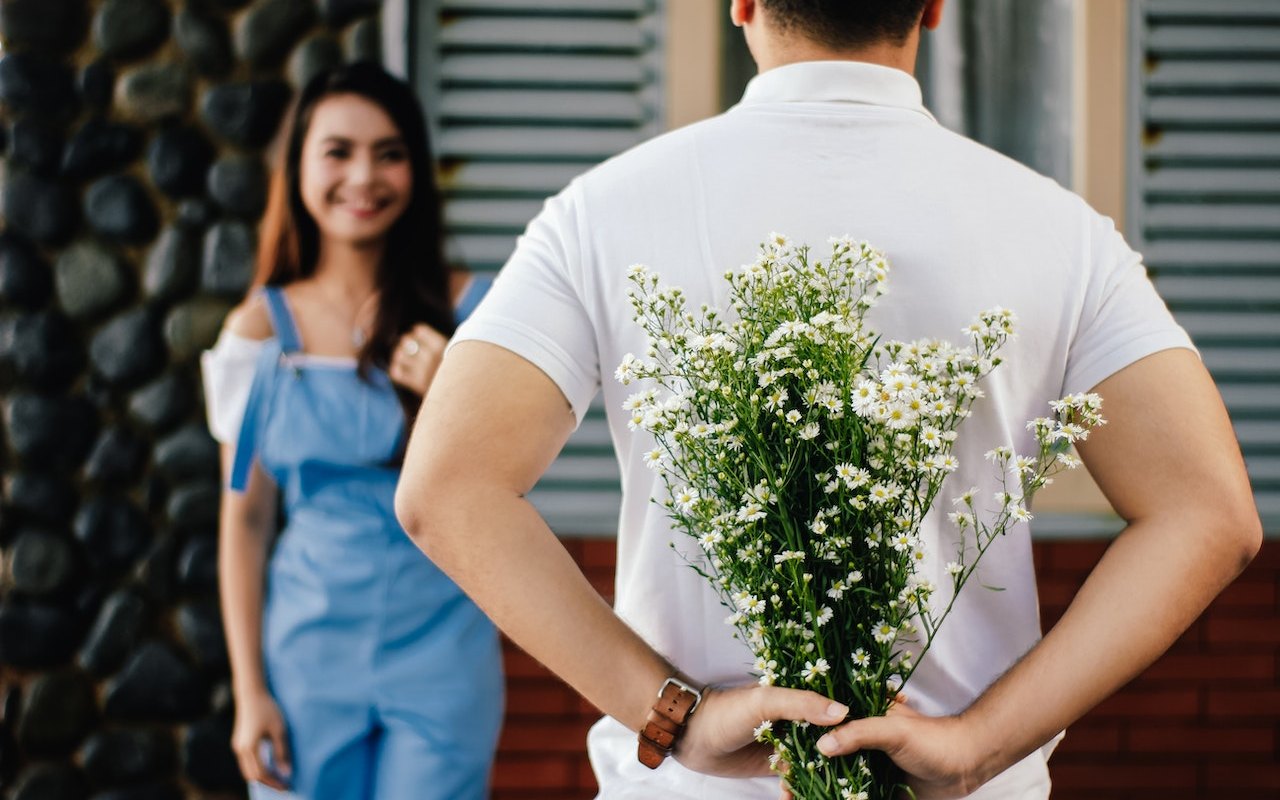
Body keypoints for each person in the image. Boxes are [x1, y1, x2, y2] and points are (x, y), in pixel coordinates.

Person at [394, 2, 1262, 798]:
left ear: (741, 2)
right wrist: (979, 744)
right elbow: (1210, 515)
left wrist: (674, 717)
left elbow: (446, 489)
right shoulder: (1062, 231)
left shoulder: (602, 212)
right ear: (932, 6)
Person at [202, 63, 501, 799]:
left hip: (445, 648)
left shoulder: (477, 314)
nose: (363, 176)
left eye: (390, 152)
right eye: (338, 151)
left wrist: (448, 401)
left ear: (416, 171)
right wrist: (250, 692)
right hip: (305, 656)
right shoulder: (257, 334)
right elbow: (244, 521)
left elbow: (510, 489)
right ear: (299, 164)